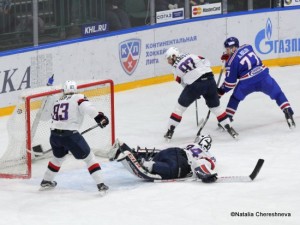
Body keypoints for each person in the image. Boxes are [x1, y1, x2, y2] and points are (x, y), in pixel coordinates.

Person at [40, 80, 110, 192]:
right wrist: (100, 117)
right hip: (70, 136)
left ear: (64, 90)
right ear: (75, 89)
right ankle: (101, 184)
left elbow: (45, 117)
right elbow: (88, 108)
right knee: (90, 158)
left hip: (54, 136)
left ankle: (46, 180)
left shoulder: (57, 100)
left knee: (58, 158)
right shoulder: (78, 97)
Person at [218, 37, 296, 128]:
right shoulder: (248, 47)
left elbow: (229, 83)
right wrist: (230, 57)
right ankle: (287, 110)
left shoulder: (231, 62)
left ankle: (227, 119)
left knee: (235, 98)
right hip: (264, 78)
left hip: (247, 84)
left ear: (233, 48)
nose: (226, 51)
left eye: (228, 49)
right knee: (278, 94)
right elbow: (241, 56)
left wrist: (220, 91)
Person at [164, 46, 238, 140]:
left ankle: (170, 132)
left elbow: (182, 83)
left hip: (196, 85)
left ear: (174, 56)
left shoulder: (174, 69)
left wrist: (194, 91)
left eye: (169, 59)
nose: (168, 62)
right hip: (210, 80)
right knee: (216, 108)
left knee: (179, 108)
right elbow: (207, 62)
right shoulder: (192, 55)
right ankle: (230, 129)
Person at [108, 135, 217, 183]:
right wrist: (206, 174)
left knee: (157, 156)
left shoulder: (191, 144)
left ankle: (125, 149)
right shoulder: (206, 153)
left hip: (170, 151)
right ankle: (149, 165)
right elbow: (203, 162)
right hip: (180, 161)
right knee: (171, 170)